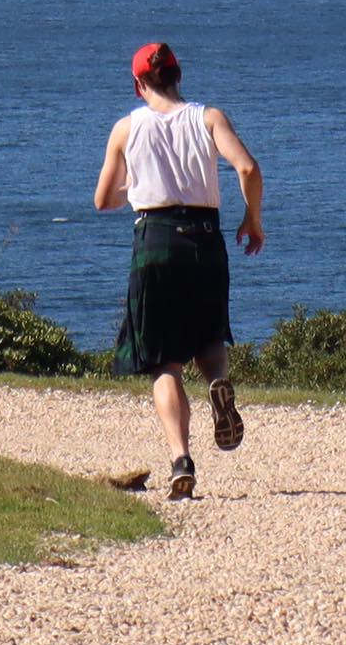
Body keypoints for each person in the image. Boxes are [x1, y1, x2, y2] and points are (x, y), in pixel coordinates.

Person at [93, 39, 264, 499]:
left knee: (163, 359)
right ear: (178, 75)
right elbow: (247, 168)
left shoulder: (126, 130)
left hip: (156, 239)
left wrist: (137, 182)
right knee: (209, 334)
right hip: (205, 239)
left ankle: (180, 461)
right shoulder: (209, 118)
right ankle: (218, 383)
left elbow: (103, 199)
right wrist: (252, 219)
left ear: (137, 83)